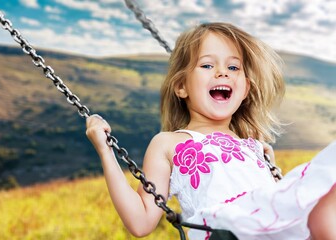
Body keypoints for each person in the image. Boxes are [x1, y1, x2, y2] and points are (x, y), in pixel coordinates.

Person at [86, 22, 336, 240]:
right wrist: (105, 150)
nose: (222, 72)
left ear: (245, 89)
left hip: (271, 229)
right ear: (181, 86)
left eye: (234, 67)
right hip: (224, 231)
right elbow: (140, 223)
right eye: (207, 65)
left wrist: (264, 161)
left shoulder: (254, 146)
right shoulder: (169, 143)